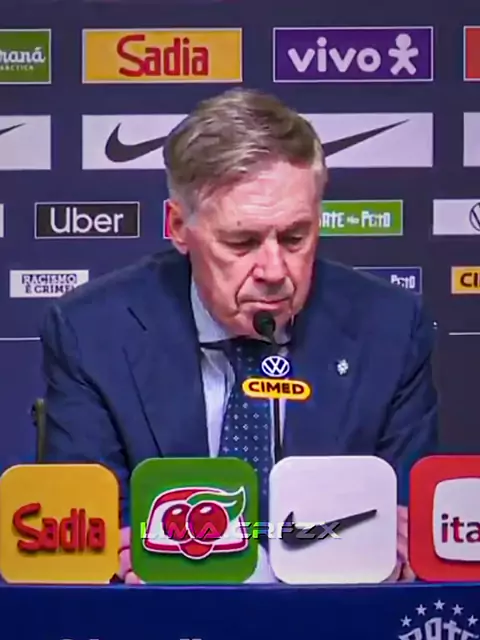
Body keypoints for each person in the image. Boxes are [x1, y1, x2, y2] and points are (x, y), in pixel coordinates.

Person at [39, 87, 438, 583]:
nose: (274, 270)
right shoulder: (92, 332)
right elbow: (93, 532)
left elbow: (403, 528)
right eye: (242, 241)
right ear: (179, 226)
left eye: (295, 237)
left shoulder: (390, 328)